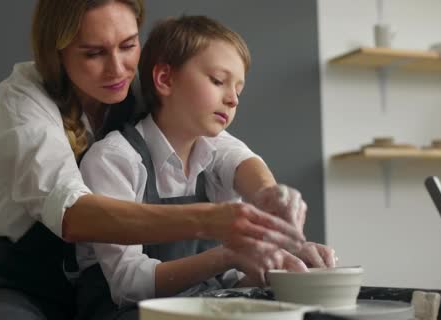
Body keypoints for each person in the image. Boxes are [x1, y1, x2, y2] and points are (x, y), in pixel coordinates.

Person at [0, 1, 317, 320]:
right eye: (94, 53)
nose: (118, 68)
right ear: (57, 53)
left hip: (95, 289)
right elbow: (73, 215)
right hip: (16, 281)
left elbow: (225, 148)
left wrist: (269, 196)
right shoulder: (25, 101)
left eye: (128, 45)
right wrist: (215, 222)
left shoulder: (134, 85)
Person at [74, 15, 336, 320]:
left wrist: (278, 261)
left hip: (204, 307)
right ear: (165, 80)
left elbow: (228, 281)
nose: (233, 99)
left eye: (239, 88)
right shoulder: (112, 160)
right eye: (218, 80)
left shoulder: (214, 153)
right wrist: (230, 255)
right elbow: (128, 285)